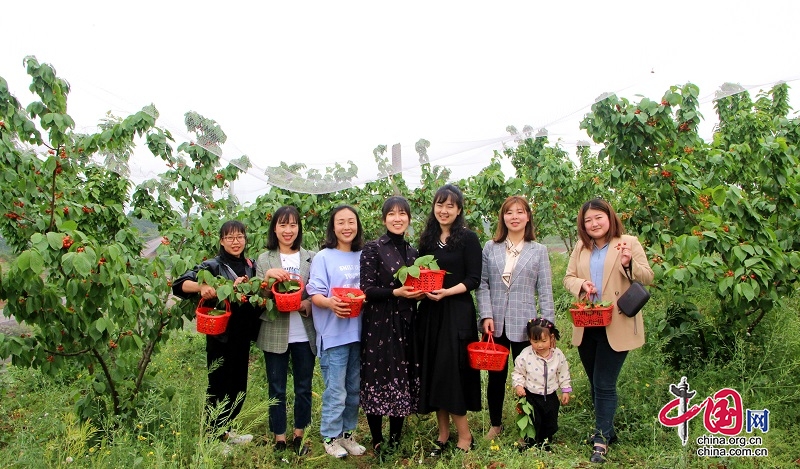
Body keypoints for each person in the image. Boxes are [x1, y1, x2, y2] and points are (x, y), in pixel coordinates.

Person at [563, 198, 654, 464]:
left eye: (598, 218)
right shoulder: (581, 247)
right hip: (588, 322)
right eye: (588, 220)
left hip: (618, 323)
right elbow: (568, 278)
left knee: (604, 382)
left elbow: (647, 277)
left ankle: (601, 439)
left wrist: (628, 264)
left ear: (609, 217)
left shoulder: (628, 242)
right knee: (594, 381)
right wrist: (582, 284)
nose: (593, 224)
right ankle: (608, 430)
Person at [172, 220, 262, 446]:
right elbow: (179, 284)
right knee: (219, 385)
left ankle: (227, 431)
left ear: (245, 239)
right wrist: (202, 287)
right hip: (220, 336)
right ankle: (213, 437)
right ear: (221, 241)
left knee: (238, 385)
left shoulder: (250, 265)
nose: (235, 242)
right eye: (230, 238)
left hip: (242, 336)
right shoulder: (212, 266)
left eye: (240, 237)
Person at [476, 195, 555, 440]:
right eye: (509, 212)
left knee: (528, 377)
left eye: (520, 212)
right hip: (496, 323)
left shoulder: (538, 250)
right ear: (503, 217)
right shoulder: (491, 247)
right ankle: (496, 424)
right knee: (496, 378)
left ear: (528, 216)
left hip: (526, 324)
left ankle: (527, 427)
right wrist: (486, 314)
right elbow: (483, 284)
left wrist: (548, 326)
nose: (515, 217)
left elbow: (545, 289)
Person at [416, 184, 482, 455]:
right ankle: (443, 436)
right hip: (431, 314)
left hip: (456, 312)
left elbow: (473, 279)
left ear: (459, 210)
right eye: (440, 205)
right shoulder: (427, 240)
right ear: (434, 207)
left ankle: (464, 437)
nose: (444, 210)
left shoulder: (468, 238)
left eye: (450, 206)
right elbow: (420, 273)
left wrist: (446, 292)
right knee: (434, 372)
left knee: (452, 372)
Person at [359, 196, 426, 456]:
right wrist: (397, 293)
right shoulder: (373, 248)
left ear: (408, 219)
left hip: (407, 323)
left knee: (402, 378)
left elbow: (417, 287)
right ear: (384, 218)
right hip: (379, 324)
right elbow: (367, 289)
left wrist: (418, 294)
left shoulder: (413, 253)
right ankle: (377, 440)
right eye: (392, 214)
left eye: (402, 214)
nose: (397, 218)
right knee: (378, 376)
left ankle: (395, 439)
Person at [255, 206, 316, 456]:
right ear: (275, 228)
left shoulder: (311, 257)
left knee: (303, 386)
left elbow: (317, 291)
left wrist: (307, 304)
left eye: (292, 225)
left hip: (303, 333)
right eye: (282, 225)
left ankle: (299, 434)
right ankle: (279, 436)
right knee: (276, 387)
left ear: (299, 228)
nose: (288, 230)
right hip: (274, 331)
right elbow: (260, 297)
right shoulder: (264, 259)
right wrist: (268, 278)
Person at [306, 205, 366, 459]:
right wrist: (331, 303)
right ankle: (330, 437)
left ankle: (348, 434)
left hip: (359, 333)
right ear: (333, 227)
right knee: (336, 390)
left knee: (354, 389)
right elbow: (314, 293)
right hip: (333, 336)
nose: (346, 227)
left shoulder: (363, 255)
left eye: (351, 221)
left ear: (357, 226)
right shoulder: (323, 257)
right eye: (341, 222)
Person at [511, 318, 571, 451]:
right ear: (529, 339)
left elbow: (563, 373)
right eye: (535, 341)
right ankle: (529, 442)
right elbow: (518, 372)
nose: (539, 345)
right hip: (532, 395)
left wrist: (565, 390)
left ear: (551, 337)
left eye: (544, 341)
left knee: (550, 420)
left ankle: (545, 442)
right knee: (533, 420)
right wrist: (519, 385)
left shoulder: (558, 355)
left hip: (550, 395)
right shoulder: (526, 355)